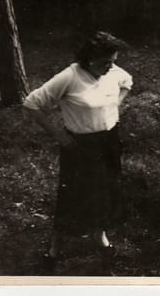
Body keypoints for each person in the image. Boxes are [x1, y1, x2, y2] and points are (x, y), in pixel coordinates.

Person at [23, 31, 133, 266]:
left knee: (105, 192)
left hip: (109, 142)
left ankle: (100, 237)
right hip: (81, 146)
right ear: (90, 58)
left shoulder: (112, 71)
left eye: (114, 61)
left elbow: (127, 82)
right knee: (73, 197)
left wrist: (116, 108)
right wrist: (58, 134)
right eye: (106, 62)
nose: (111, 66)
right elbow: (31, 103)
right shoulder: (70, 76)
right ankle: (54, 248)